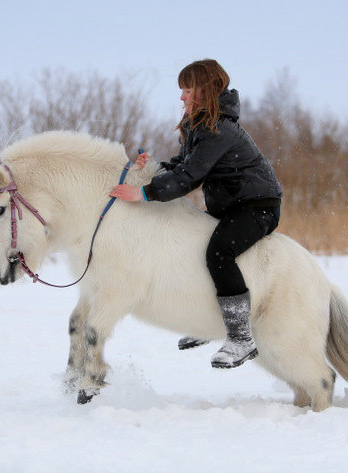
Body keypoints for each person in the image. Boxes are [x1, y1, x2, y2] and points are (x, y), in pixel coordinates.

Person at [110, 59, 282, 369]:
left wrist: (145, 194)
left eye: (187, 90)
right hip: (230, 207)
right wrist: (151, 169)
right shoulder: (198, 127)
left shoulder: (218, 129)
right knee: (195, 249)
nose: (181, 97)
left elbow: (191, 175)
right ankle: (209, 324)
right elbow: (180, 166)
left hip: (258, 206)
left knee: (219, 253)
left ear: (204, 92)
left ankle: (241, 337)